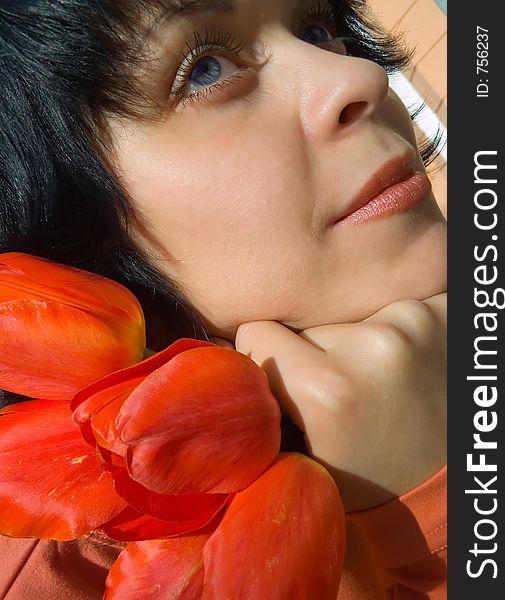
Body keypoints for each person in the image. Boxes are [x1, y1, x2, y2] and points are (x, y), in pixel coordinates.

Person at [0, 0, 447, 598]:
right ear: (63, 235)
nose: (359, 75)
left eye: (318, 28)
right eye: (204, 68)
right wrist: (436, 518)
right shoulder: (54, 575)